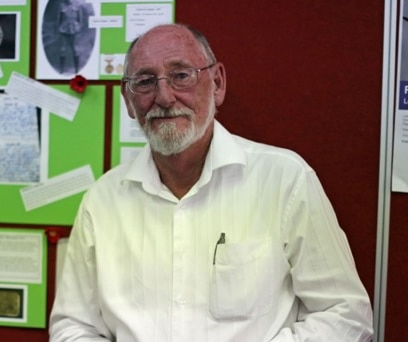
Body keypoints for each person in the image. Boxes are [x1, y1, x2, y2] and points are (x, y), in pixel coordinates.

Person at [49, 23, 373, 341]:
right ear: (128, 100)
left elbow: (345, 315)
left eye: (181, 75)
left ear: (217, 84)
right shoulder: (103, 200)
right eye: (146, 81)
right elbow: (73, 327)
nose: (164, 96)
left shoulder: (284, 180)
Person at [57, 0, 84, 73]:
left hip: (74, 29)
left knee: (75, 50)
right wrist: (60, 28)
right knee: (62, 50)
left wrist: (78, 28)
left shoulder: (77, 5)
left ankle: (77, 70)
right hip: (64, 29)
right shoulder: (62, 5)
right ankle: (61, 70)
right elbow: (59, 18)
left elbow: (80, 19)